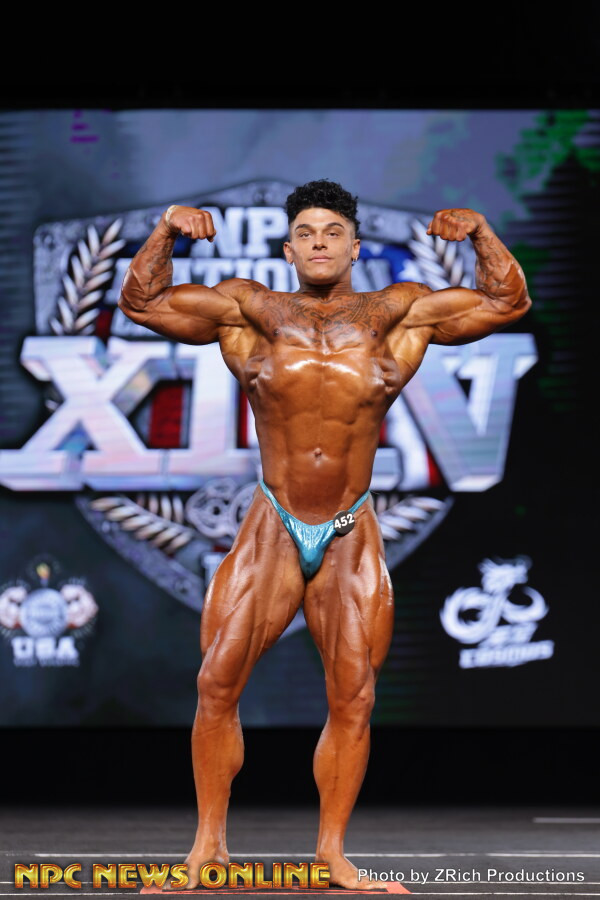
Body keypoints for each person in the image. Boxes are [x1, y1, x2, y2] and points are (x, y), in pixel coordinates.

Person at [118, 179, 531, 890]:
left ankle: (332, 854)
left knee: (355, 695)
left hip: (349, 528)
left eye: (332, 232)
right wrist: (165, 232)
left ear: (355, 247)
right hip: (274, 523)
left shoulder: (397, 313)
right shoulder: (250, 310)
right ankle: (208, 848)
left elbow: (506, 303)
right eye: (306, 232)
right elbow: (143, 302)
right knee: (216, 682)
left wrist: (482, 234)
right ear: (288, 248)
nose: (319, 243)